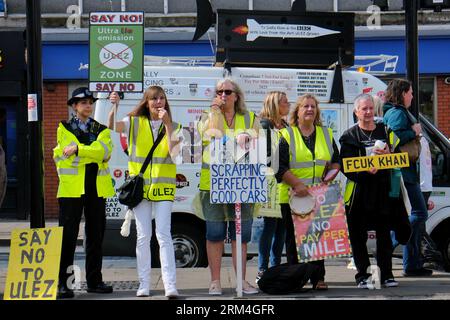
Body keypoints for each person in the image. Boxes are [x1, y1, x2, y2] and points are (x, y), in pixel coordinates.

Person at [108, 86, 182, 298]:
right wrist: (114, 105)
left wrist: (168, 125)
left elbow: (175, 156)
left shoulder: (175, 126)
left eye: (162, 98)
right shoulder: (134, 122)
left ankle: (170, 285)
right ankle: (144, 284)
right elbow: (112, 125)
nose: (158, 102)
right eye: (154, 99)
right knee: (143, 236)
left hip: (163, 188)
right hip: (140, 189)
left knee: (163, 235)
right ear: (146, 102)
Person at [198, 78, 261, 295]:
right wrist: (215, 112)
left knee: (240, 235)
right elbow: (210, 136)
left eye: (227, 91)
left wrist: (248, 136)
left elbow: (258, 140)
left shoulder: (250, 117)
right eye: (219, 91)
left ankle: (240, 282)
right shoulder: (207, 117)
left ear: (236, 96)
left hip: (243, 183)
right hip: (213, 184)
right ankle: (215, 281)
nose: (223, 95)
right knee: (214, 233)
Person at [339, 93, 408, 288]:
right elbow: (346, 166)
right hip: (359, 193)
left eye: (371, 108)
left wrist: (389, 154)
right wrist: (366, 170)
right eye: (364, 109)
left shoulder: (386, 131)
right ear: (356, 112)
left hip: (384, 192)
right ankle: (363, 276)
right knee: (358, 237)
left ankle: (386, 274)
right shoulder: (349, 136)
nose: (368, 112)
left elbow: (400, 156)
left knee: (384, 236)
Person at [54, 87, 115, 299]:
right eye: (83, 103)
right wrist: (92, 152)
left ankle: (94, 282)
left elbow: (104, 152)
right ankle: (65, 284)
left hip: (96, 189)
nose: (88, 106)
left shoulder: (102, 129)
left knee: (95, 237)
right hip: (71, 189)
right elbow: (66, 154)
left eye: (90, 102)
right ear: (74, 106)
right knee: (67, 238)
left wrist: (79, 149)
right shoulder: (64, 127)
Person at [275, 93, 340, 290]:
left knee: (318, 239)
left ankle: (318, 278)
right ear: (298, 111)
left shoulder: (326, 134)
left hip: (319, 195)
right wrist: (297, 184)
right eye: (305, 106)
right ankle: (297, 279)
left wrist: (329, 177)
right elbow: (279, 167)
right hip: (292, 196)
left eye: (313, 106)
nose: (310, 109)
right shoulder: (287, 135)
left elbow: (336, 162)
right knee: (294, 242)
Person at [383, 79, 433, 277]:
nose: (412, 95)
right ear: (402, 93)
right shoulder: (396, 112)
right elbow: (393, 138)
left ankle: (412, 265)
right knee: (419, 213)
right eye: (410, 92)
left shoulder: (400, 111)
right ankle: (386, 244)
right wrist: (412, 131)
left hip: (408, 171)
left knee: (417, 218)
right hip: (402, 172)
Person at [256, 91, 290, 283]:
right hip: (269, 181)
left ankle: (276, 266)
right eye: (285, 102)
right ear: (276, 104)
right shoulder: (265, 124)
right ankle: (263, 268)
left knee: (282, 228)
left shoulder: (286, 125)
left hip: (284, 183)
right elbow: (265, 154)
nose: (289, 104)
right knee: (269, 226)